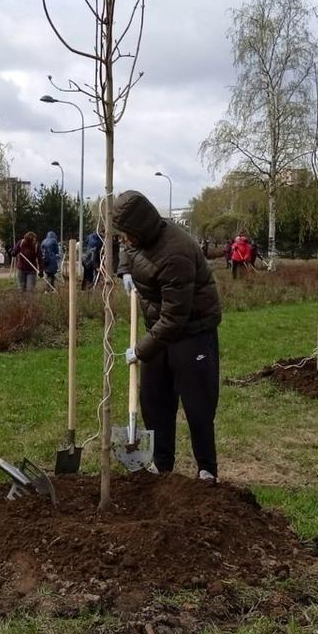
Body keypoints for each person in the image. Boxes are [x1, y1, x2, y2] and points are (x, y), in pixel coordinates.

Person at [114, 190, 222, 483]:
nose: (124, 240)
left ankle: (206, 470)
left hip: (192, 331)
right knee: (154, 399)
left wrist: (140, 349)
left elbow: (175, 318)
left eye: (127, 234)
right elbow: (129, 250)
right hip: (159, 329)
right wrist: (125, 271)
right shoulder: (139, 237)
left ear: (141, 228)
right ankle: (162, 465)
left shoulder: (176, 252)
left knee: (197, 403)